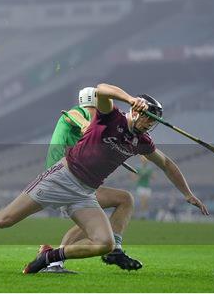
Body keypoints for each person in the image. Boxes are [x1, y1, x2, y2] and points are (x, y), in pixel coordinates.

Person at [0, 83, 208, 274]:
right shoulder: (111, 118)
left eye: (154, 120)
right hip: (61, 177)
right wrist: (128, 97)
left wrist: (187, 193)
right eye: (148, 117)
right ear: (136, 110)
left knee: (105, 244)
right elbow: (100, 89)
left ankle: (49, 257)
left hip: (85, 193)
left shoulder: (142, 142)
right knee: (3, 221)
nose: (150, 123)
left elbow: (168, 164)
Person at [41, 87, 141, 274]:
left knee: (91, 222)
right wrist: (87, 125)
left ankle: (54, 262)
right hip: (63, 180)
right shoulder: (79, 113)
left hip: (65, 179)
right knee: (124, 199)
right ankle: (114, 250)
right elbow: (73, 116)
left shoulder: (90, 128)